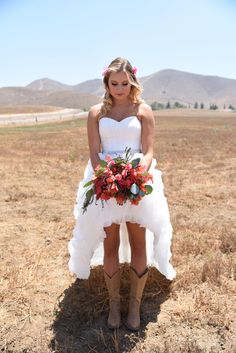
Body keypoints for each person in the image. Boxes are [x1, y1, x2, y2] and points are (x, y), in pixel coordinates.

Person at [68, 57, 176, 331]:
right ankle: (114, 305)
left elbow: (149, 150)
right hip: (104, 182)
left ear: (132, 82)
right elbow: (94, 152)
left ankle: (134, 307)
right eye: (114, 83)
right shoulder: (96, 112)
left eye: (124, 83)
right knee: (110, 245)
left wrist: (135, 176)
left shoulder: (143, 110)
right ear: (106, 83)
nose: (119, 88)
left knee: (140, 243)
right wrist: (105, 177)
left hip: (138, 181)